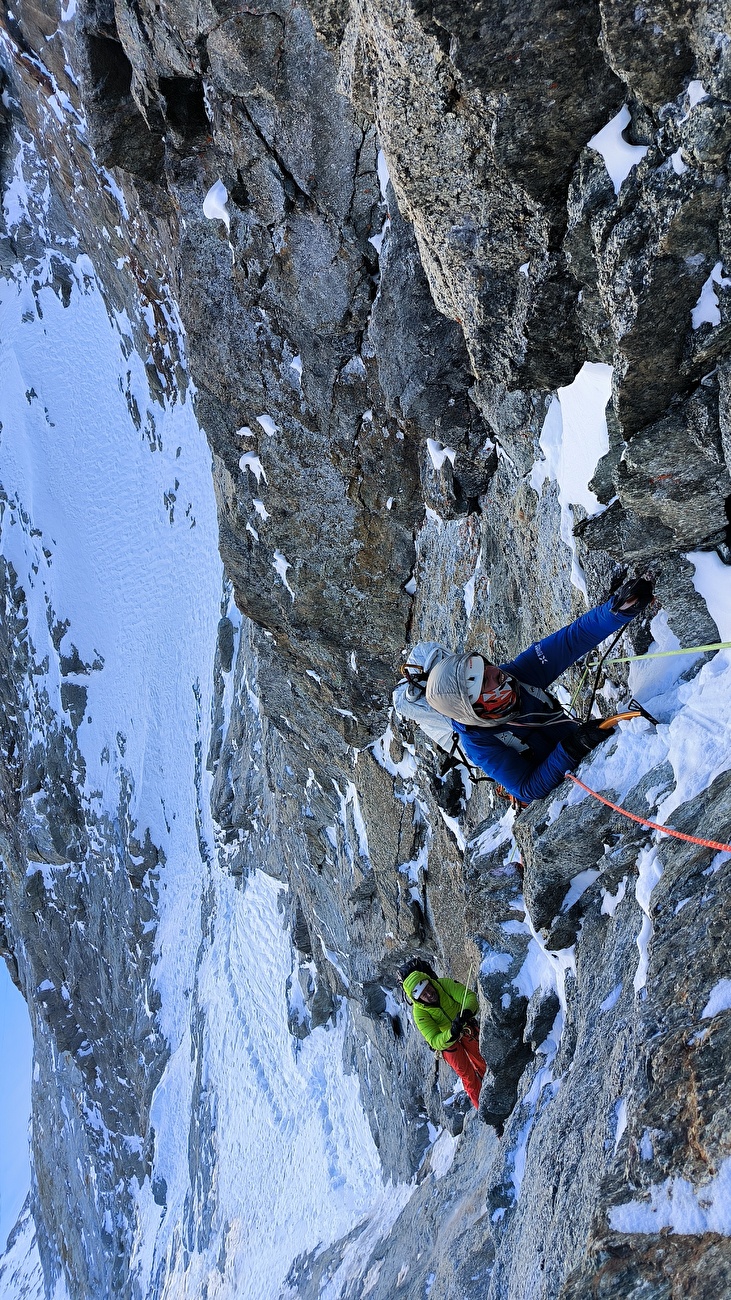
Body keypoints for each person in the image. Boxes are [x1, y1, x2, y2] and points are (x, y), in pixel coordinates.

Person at [424, 576, 654, 805]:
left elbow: (572, 640)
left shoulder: (518, 676)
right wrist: (572, 747)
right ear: (474, 707)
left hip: (584, 746)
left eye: (486, 666)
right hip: (568, 789)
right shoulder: (479, 743)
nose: (496, 673)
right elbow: (527, 788)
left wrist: (617, 610)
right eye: (483, 682)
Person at [401, 967, 486, 1108]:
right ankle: (485, 1110)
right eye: (424, 995)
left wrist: (465, 1013)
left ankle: (492, 1087)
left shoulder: (443, 984)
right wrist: (451, 1032)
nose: (429, 994)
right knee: (468, 1077)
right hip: (448, 1043)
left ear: (430, 982)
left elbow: (469, 997)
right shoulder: (419, 1013)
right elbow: (434, 1040)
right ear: (418, 999)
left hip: (463, 1026)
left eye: (428, 989)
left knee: (482, 1059)